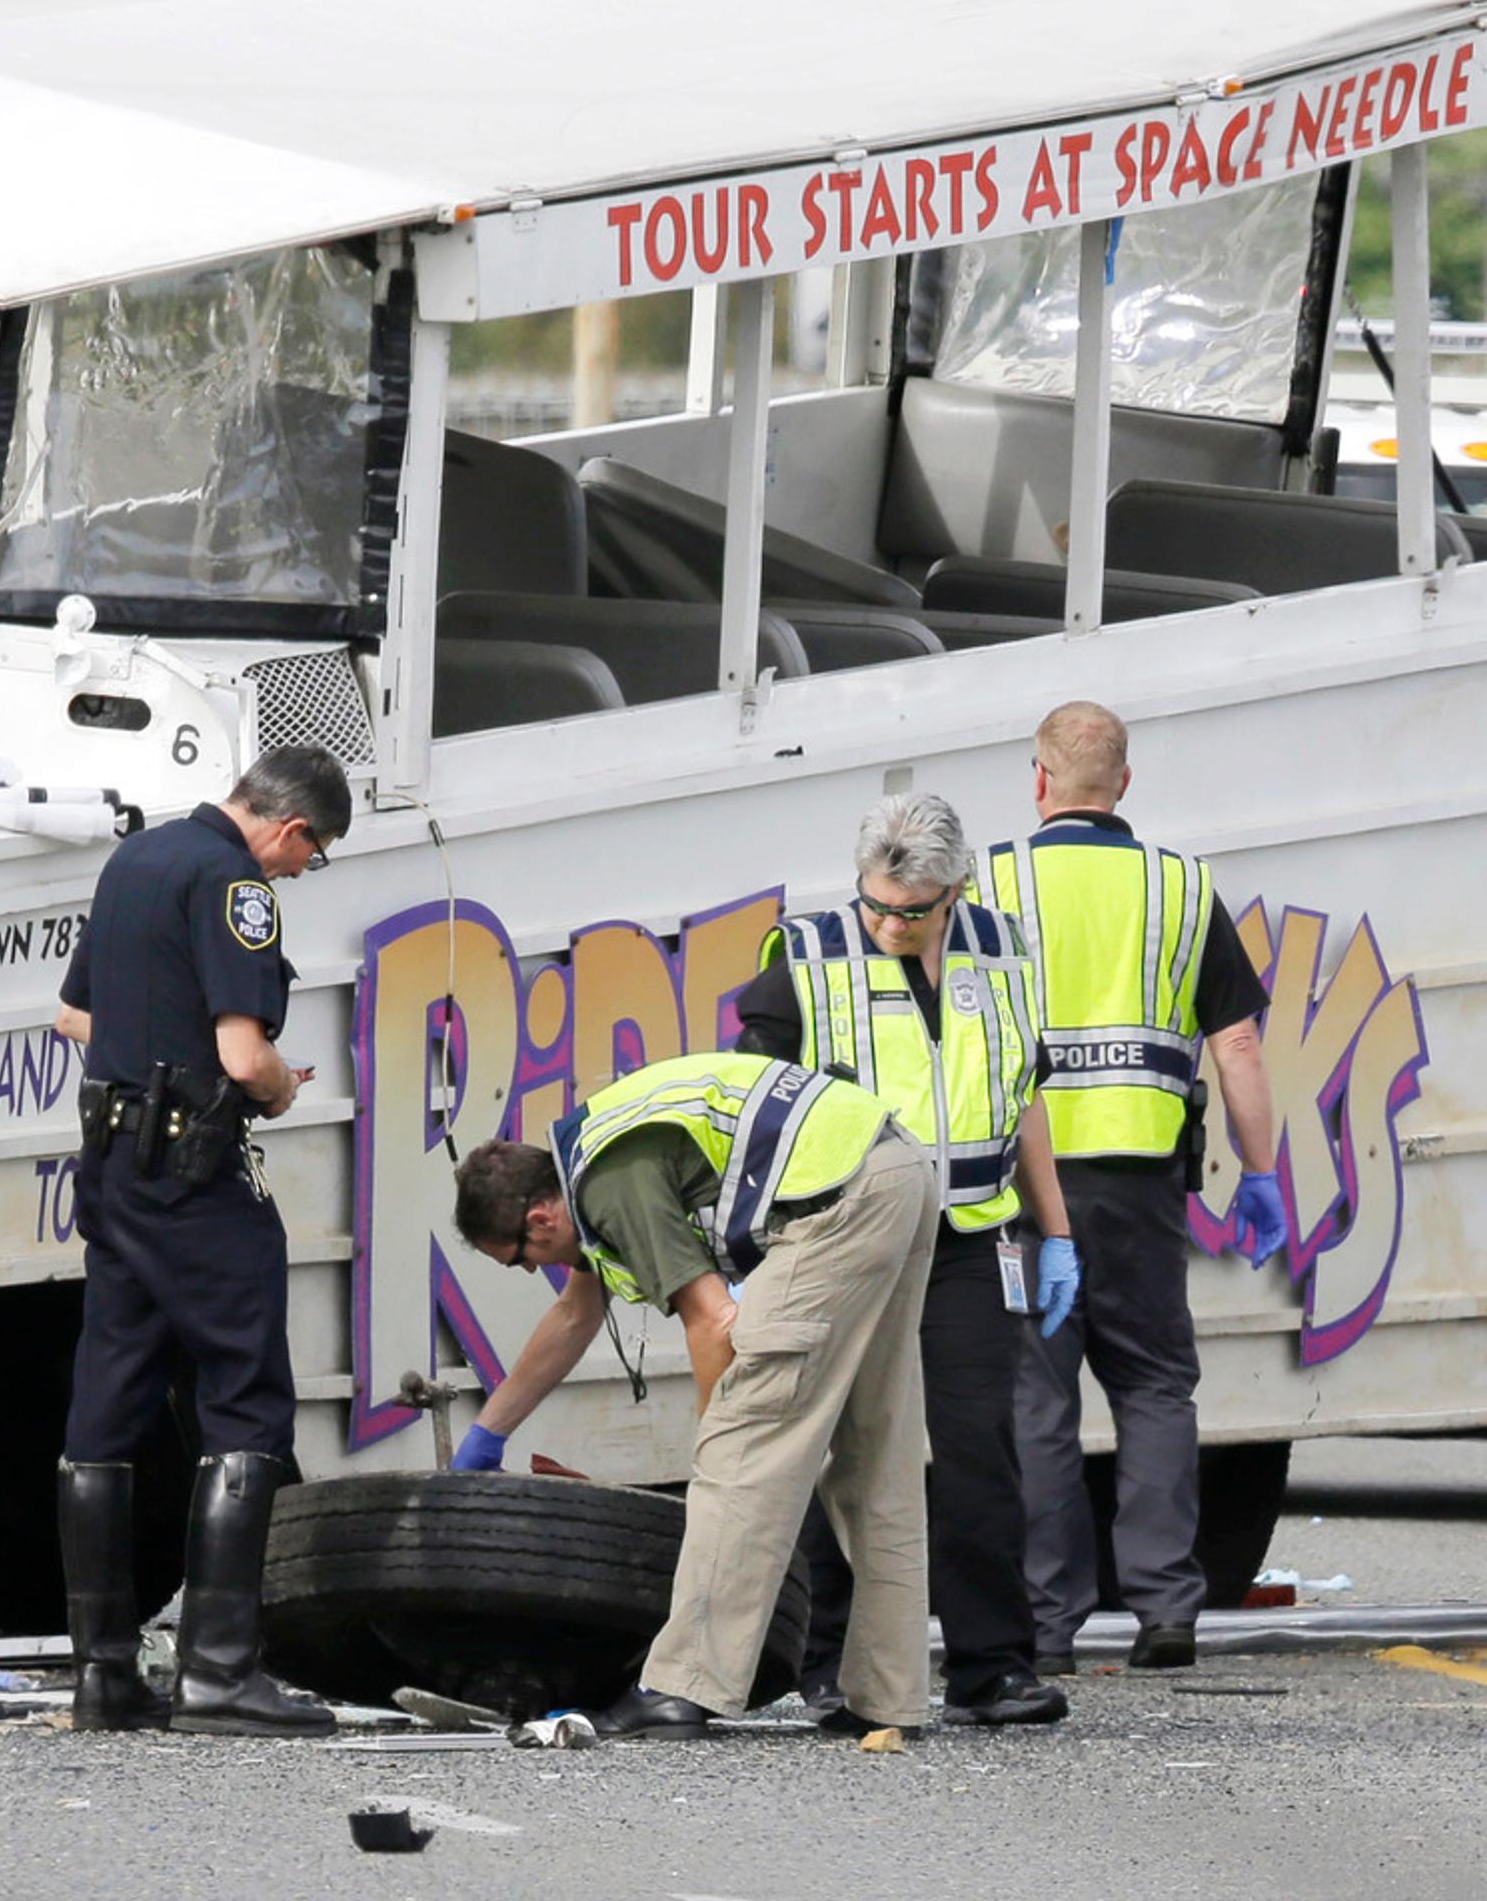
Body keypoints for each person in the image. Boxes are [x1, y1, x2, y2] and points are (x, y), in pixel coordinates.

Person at [452, 1052, 941, 1738]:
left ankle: (681, 1687)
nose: (532, 1269)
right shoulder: (594, 1158)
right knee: (874, 1456)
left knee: (740, 1453)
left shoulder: (609, 1182)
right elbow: (573, 1317)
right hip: (897, 1170)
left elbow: (712, 1319)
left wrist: (721, 1440)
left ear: (538, 1221)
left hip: (838, 1200)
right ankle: (889, 1698)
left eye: (517, 1259)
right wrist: (488, 1434)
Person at [731, 794, 1074, 1728]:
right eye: (875, 903)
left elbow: (1024, 1094)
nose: (887, 923)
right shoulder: (802, 955)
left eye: (910, 911)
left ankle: (992, 1667)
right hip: (847, 1239)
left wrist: (1058, 1232)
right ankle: (829, 1660)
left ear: (954, 890)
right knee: (838, 1451)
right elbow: (755, 1103)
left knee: (975, 1452)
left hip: (968, 1236)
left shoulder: (1001, 947)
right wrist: (747, 1242)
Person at [974, 701, 1283, 1674]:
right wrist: (1262, 1174)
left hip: (1022, 1195)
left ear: (1039, 780)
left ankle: (1047, 1624)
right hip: (1144, 1190)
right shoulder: (1181, 888)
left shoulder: (991, 882)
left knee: (1038, 1394)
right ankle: (1164, 1612)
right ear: (1124, 785)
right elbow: (1234, 1044)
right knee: (1154, 1385)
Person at [50, 746, 350, 1736]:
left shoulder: (135, 858)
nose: (298, 872)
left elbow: (72, 1015)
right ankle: (220, 1673)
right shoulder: (231, 880)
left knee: (110, 1397)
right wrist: (279, 1087)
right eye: (312, 855)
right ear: (290, 828)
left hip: (113, 1167)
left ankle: (102, 1675)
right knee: (246, 1391)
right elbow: (240, 1050)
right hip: (193, 1173)